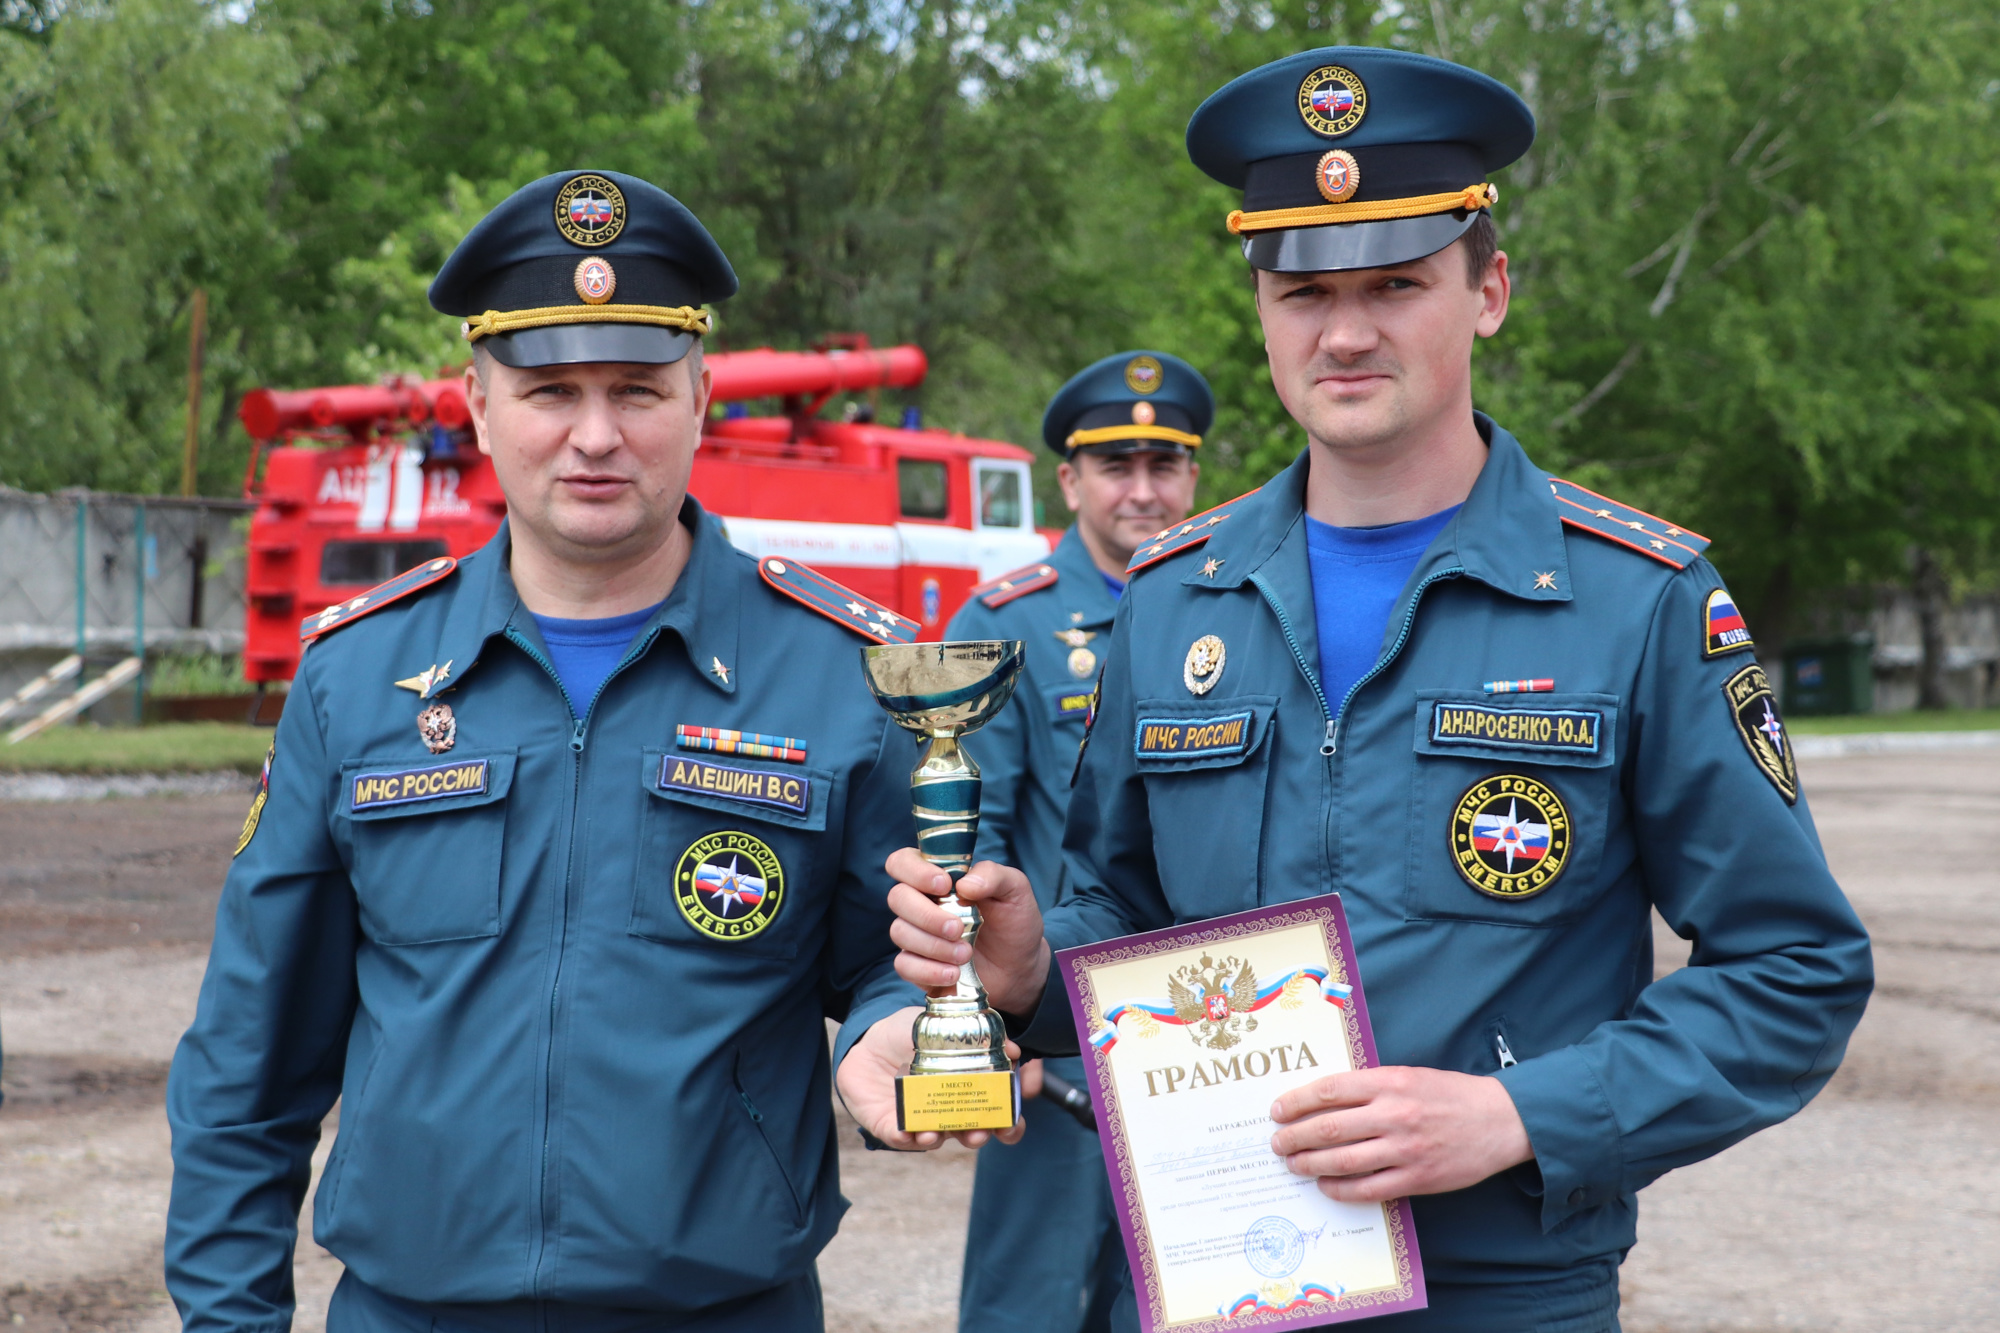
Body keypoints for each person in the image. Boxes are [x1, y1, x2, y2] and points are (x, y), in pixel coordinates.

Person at [870, 48, 1874, 1332]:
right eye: (1302, 291)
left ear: (1488, 289)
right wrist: (1027, 966)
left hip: (1495, 1291)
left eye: (1395, 283)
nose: (1343, 332)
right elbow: (1124, 909)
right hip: (1198, 1272)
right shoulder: (1178, 595)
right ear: (1261, 310)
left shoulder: (1638, 599)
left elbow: (1794, 966)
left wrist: (1517, 1114)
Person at [164, 169, 1013, 1333]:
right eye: (549, 389)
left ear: (702, 394)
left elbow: (884, 953)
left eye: (638, 388)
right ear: (474, 402)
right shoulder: (354, 679)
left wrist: (893, 1027)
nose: (596, 435)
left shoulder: (840, 672)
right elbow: (248, 1063)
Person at [947, 353, 1210, 1333]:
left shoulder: (1228, 609)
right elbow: (966, 842)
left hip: (1202, 1045)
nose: (1142, 490)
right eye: (1114, 466)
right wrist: (989, 1025)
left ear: (1191, 474)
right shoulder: (1006, 622)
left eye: (1163, 464)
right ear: (1068, 480)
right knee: (1036, 1305)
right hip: (1056, 1050)